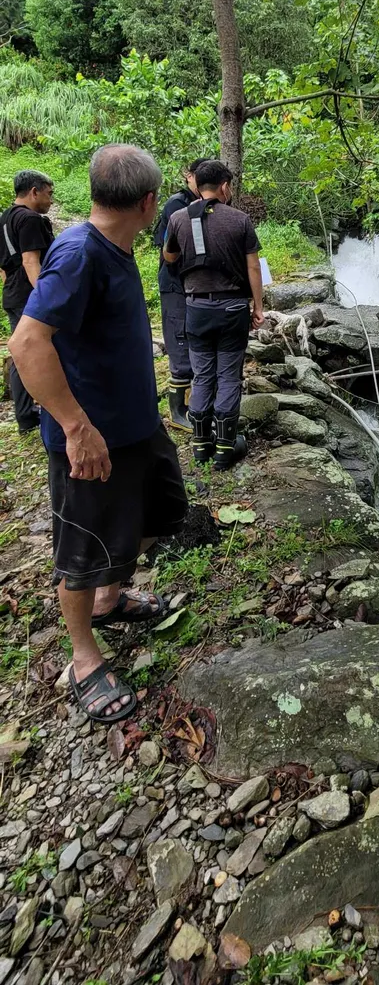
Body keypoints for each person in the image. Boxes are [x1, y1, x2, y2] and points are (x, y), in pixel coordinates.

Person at [8, 145, 188, 724]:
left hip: (135, 427)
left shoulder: (114, 246)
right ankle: (84, 658)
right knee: (82, 550)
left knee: (161, 512)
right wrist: (76, 426)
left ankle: (110, 600)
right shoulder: (80, 253)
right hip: (92, 438)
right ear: (149, 202)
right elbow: (26, 343)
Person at [162, 159, 264, 470]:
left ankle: (200, 446)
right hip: (232, 309)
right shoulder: (240, 220)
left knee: (203, 374)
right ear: (224, 186)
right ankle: (224, 448)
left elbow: (169, 256)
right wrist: (258, 307)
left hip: (196, 308)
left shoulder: (178, 217)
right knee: (229, 375)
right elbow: (253, 267)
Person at [152, 158, 207, 431]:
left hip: (194, 284)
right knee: (179, 339)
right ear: (189, 176)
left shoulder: (206, 205)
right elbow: (172, 250)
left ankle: (196, 403)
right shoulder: (178, 205)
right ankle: (178, 411)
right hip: (175, 282)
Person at [0, 170, 56, 434]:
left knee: (21, 352)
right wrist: (46, 298)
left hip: (12, 293)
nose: (51, 200)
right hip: (29, 295)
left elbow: (4, 267)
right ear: (34, 191)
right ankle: (52, 409)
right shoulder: (30, 219)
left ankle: (25, 414)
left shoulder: (5, 218)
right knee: (42, 350)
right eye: (49, 193)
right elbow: (30, 261)